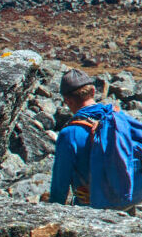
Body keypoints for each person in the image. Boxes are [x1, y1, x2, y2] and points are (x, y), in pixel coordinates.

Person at [45, 69, 111, 205]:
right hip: (127, 199)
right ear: (93, 91)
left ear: (67, 101)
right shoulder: (116, 118)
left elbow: (60, 185)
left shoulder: (70, 134)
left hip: (93, 208)